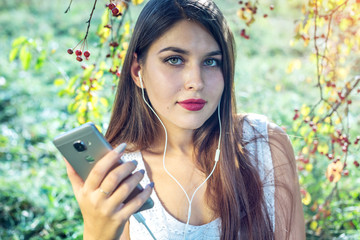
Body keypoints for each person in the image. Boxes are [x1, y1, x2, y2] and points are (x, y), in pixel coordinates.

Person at [65, 0, 305, 239]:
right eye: (174, 60)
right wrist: (97, 233)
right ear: (138, 71)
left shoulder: (264, 144)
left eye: (211, 61)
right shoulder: (122, 172)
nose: (196, 82)